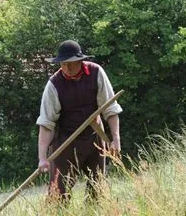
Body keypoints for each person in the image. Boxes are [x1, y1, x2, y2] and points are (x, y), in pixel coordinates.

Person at [37, 40, 123, 202]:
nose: (67, 68)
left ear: (80, 61)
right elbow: (46, 124)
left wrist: (115, 139)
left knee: (97, 191)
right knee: (58, 195)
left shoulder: (96, 73)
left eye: (71, 64)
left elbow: (110, 110)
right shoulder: (54, 84)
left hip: (94, 137)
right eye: (63, 64)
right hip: (65, 142)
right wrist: (42, 158)